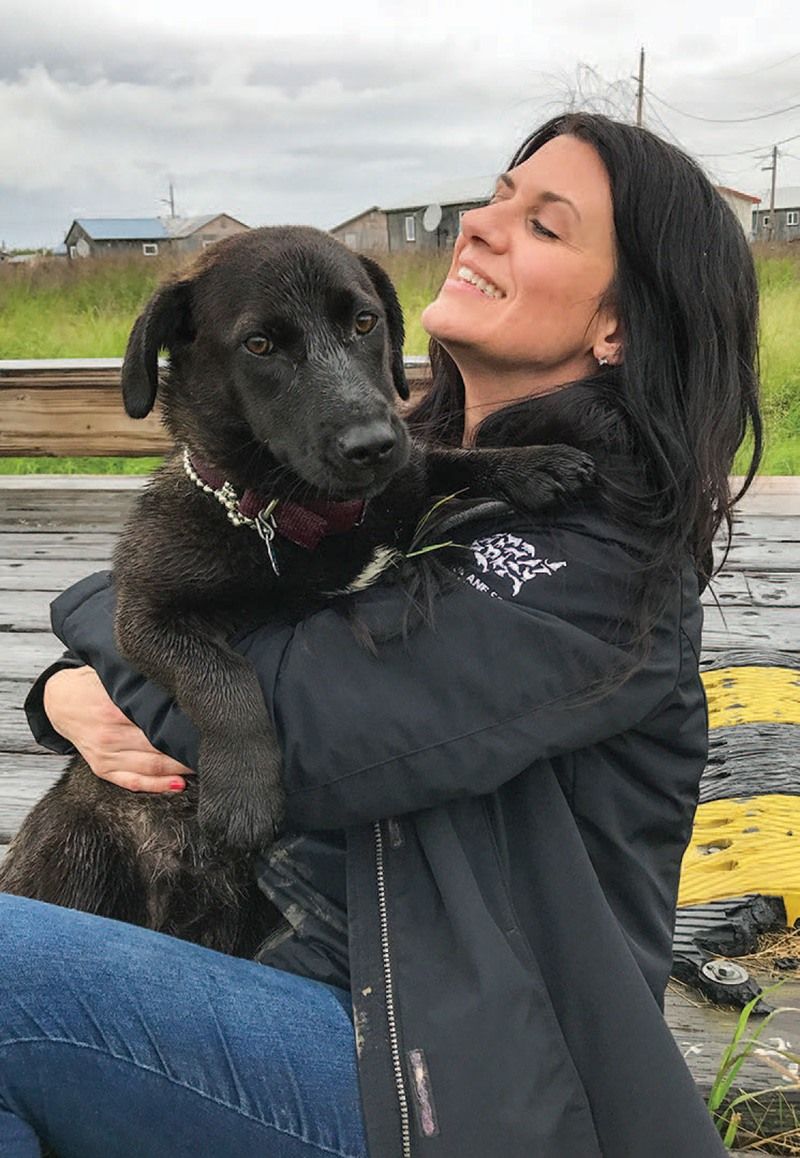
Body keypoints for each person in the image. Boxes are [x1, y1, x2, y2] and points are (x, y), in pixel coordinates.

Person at [1, 112, 759, 1157]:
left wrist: (95, 626)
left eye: (543, 224)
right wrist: (63, 691)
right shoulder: (386, 472)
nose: (483, 225)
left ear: (616, 327)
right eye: (496, 194)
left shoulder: (597, 556)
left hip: (456, 1084)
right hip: (295, 985)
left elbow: (308, 734)